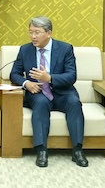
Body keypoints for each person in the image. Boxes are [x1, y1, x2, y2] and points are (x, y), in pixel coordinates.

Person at [9, 16, 88, 168]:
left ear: (49, 33)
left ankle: (77, 150)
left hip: (63, 92)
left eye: (37, 32)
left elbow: (72, 76)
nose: (33, 36)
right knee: (40, 103)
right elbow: (14, 74)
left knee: (74, 102)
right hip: (37, 92)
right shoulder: (25, 50)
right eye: (30, 32)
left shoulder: (65, 49)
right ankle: (41, 150)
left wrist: (50, 78)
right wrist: (27, 83)